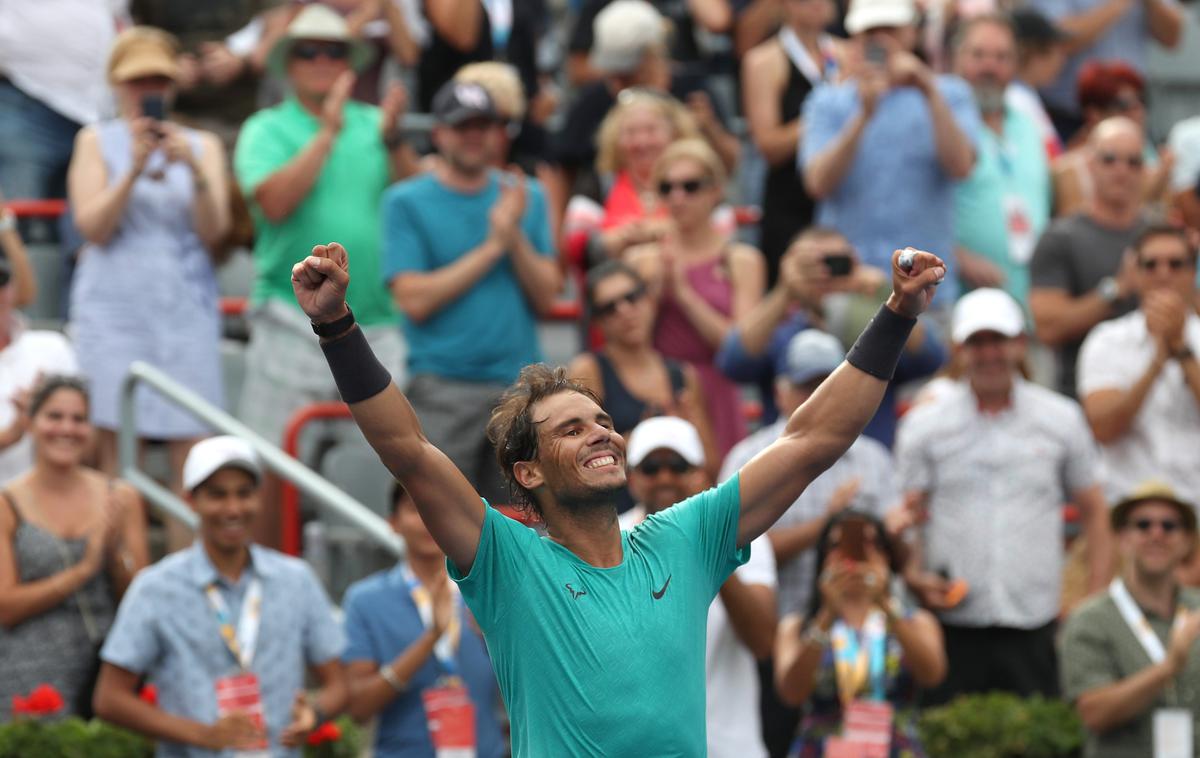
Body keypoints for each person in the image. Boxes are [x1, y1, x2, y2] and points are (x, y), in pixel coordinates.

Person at [290, 234, 945, 754]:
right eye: (571, 430)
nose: (602, 435)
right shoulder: (507, 562)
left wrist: (896, 315)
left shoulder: (684, 538)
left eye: (603, 422)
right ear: (529, 473)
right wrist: (338, 327)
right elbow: (409, 450)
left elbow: (811, 440)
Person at [234, 3, 414, 544]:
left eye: (333, 51)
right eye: (307, 51)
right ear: (289, 63)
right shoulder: (265, 127)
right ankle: (264, 590)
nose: (321, 61)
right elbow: (275, 203)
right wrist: (328, 131)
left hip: (377, 323)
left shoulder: (379, 124)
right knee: (266, 469)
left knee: (388, 472)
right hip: (290, 319)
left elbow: (412, 200)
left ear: (349, 63)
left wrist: (396, 141)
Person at [897, 287, 1113, 705]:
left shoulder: (1060, 418)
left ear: (1019, 344)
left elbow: (1095, 510)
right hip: (952, 621)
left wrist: (1092, 600)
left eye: (998, 340)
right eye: (977, 342)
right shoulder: (925, 425)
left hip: (1034, 618)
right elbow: (909, 517)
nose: (989, 353)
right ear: (959, 349)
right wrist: (913, 575)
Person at [93, 435, 348, 756]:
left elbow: (338, 684)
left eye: (244, 494)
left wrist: (315, 713)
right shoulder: (155, 587)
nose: (233, 508)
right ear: (190, 501)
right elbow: (109, 699)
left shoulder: (296, 579)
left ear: (259, 498)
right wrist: (201, 735)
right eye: (217, 495)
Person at [68, 27, 231, 501]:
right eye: (138, 81)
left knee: (193, 464)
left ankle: (184, 574)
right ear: (118, 84)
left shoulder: (203, 147)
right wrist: (132, 172)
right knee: (115, 462)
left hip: (184, 310)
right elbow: (93, 227)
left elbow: (215, 231)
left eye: (158, 80)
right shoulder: (94, 141)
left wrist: (196, 173)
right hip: (113, 311)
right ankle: (123, 571)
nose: (148, 91)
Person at [721, 329, 899, 757]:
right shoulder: (747, 458)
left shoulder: (874, 458)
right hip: (781, 635)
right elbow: (729, 553)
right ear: (781, 393)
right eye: (806, 383)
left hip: (865, 639)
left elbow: (893, 550)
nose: (818, 393)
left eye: (827, 380)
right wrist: (826, 525)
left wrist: (894, 533)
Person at [382, 80, 561, 503]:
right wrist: (494, 246)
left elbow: (548, 297)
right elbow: (413, 300)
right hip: (443, 386)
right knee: (442, 517)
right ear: (439, 133)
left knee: (524, 526)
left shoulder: (525, 195)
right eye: (463, 126)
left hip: (519, 388)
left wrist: (512, 237)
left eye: (484, 125)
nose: (474, 136)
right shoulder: (404, 201)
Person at [618, 416, 777, 758]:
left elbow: (763, 642)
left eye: (678, 465)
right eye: (650, 467)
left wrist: (709, 551)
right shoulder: (608, 540)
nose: (665, 477)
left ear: (701, 473)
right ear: (631, 478)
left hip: (730, 748)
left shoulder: (744, 536)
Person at [801, 0, 978, 305]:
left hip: (927, 286)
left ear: (911, 33)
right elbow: (817, 183)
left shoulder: (950, 93)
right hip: (850, 286)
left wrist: (927, 88)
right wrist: (862, 117)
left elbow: (961, 166)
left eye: (891, 30)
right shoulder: (828, 101)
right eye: (871, 32)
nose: (882, 41)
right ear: (856, 39)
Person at [0, 376, 148, 721]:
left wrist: (113, 556)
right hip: (26, 675)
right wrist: (83, 569)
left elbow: (140, 597)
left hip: (106, 671)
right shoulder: (7, 502)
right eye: (54, 417)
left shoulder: (120, 497)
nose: (67, 428)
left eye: (79, 419)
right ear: (32, 424)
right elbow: (5, 606)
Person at [716, 226, 945, 447]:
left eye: (837, 264)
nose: (825, 274)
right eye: (811, 265)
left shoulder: (876, 327)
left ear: (854, 263)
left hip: (868, 469)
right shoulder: (782, 331)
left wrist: (889, 296)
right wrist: (785, 291)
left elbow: (930, 357)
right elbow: (733, 361)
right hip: (791, 469)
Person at [342, 481, 505, 758]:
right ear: (393, 523)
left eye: (438, 508)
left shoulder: (486, 592)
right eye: (416, 509)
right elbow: (359, 709)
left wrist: (496, 639)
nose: (429, 518)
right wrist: (431, 637)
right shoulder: (365, 600)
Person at [628, 139, 767, 456]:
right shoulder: (643, 260)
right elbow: (631, 342)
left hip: (718, 389)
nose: (678, 197)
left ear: (715, 191)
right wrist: (655, 292)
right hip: (663, 391)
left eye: (690, 186)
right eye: (667, 187)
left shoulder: (742, 260)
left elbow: (739, 349)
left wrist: (683, 294)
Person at [547, 0, 740, 223]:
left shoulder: (694, 93)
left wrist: (710, 129)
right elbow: (560, 170)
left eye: (627, 72)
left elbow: (730, 165)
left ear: (653, 55)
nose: (617, 83)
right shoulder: (593, 101)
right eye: (612, 73)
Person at [774, 510, 946, 756]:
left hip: (892, 747)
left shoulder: (916, 621)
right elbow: (791, 693)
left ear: (887, 556)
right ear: (822, 557)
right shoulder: (797, 626)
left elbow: (932, 674)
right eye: (838, 545)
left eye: (871, 544)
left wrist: (886, 604)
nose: (857, 554)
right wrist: (826, 616)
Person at [1060, 482, 1200, 758]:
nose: (1156, 534)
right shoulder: (1089, 619)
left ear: (1186, 541)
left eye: (1169, 526)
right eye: (1143, 525)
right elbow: (1093, 714)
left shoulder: (1196, 609)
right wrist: (1168, 667)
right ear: (1122, 538)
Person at [1078, 225, 1200, 507]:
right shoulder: (1105, 340)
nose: (1163, 273)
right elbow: (1103, 429)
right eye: (1151, 264)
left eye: (1176, 263)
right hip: (1128, 511)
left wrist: (1180, 349)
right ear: (1134, 273)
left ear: (1192, 273)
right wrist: (1156, 364)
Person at [1029, 115, 1151, 398]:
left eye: (1133, 162)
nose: (1122, 171)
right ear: (1089, 164)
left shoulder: (1161, 236)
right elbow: (1047, 328)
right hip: (1080, 395)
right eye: (1110, 159)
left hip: (1155, 402)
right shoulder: (1060, 238)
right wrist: (1116, 289)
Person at [567, 260, 718, 487]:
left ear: (649, 299)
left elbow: (712, 469)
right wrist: (649, 437)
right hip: (618, 510)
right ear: (597, 322)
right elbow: (577, 460)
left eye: (632, 297)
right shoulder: (589, 370)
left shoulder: (684, 375)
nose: (624, 310)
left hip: (680, 509)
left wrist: (691, 427)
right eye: (609, 308)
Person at [952, 14, 1052, 309]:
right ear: (955, 58)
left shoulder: (1029, 124)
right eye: (978, 55)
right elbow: (909, 208)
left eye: (1001, 57)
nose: (989, 67)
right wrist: (956, 257)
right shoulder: (939, 122)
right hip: (962, 306)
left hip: (1029, 305)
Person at [740, 0, 839, 285]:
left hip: (837, 196)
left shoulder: (845, 53)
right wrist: (824, 115)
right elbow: (769, 146)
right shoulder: (763, 61)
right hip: (790, 203)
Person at [0, 1, 127, 201]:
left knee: (84, 218)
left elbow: (120, 20)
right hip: (26, 102)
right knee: (22, 218)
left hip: (96, 116)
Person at [1033, 0, 1182, 136]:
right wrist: (1118, 4)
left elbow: (1172, 38)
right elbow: (1058, 39)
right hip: (1068, 118)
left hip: (1129, 113)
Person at [1050, 61, 1171, 218]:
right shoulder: (1069, 168)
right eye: (1124, 104)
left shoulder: (1153, 161)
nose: (1137, 111)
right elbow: (1077, 232)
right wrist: (1150, 190)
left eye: (1141, 100)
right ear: (1094, 114)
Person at [0, 258, 79, 485]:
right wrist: (14, 432)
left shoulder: (52, 347)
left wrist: (49, 413)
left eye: (1, 281)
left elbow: (89, 444)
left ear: (13, 290)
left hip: (47, 505)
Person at [1008, 8, 1069, 160]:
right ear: (1032, 53)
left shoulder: (1025, 96)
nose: (1061, 61)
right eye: (1055, 51)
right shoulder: (1016, 100)